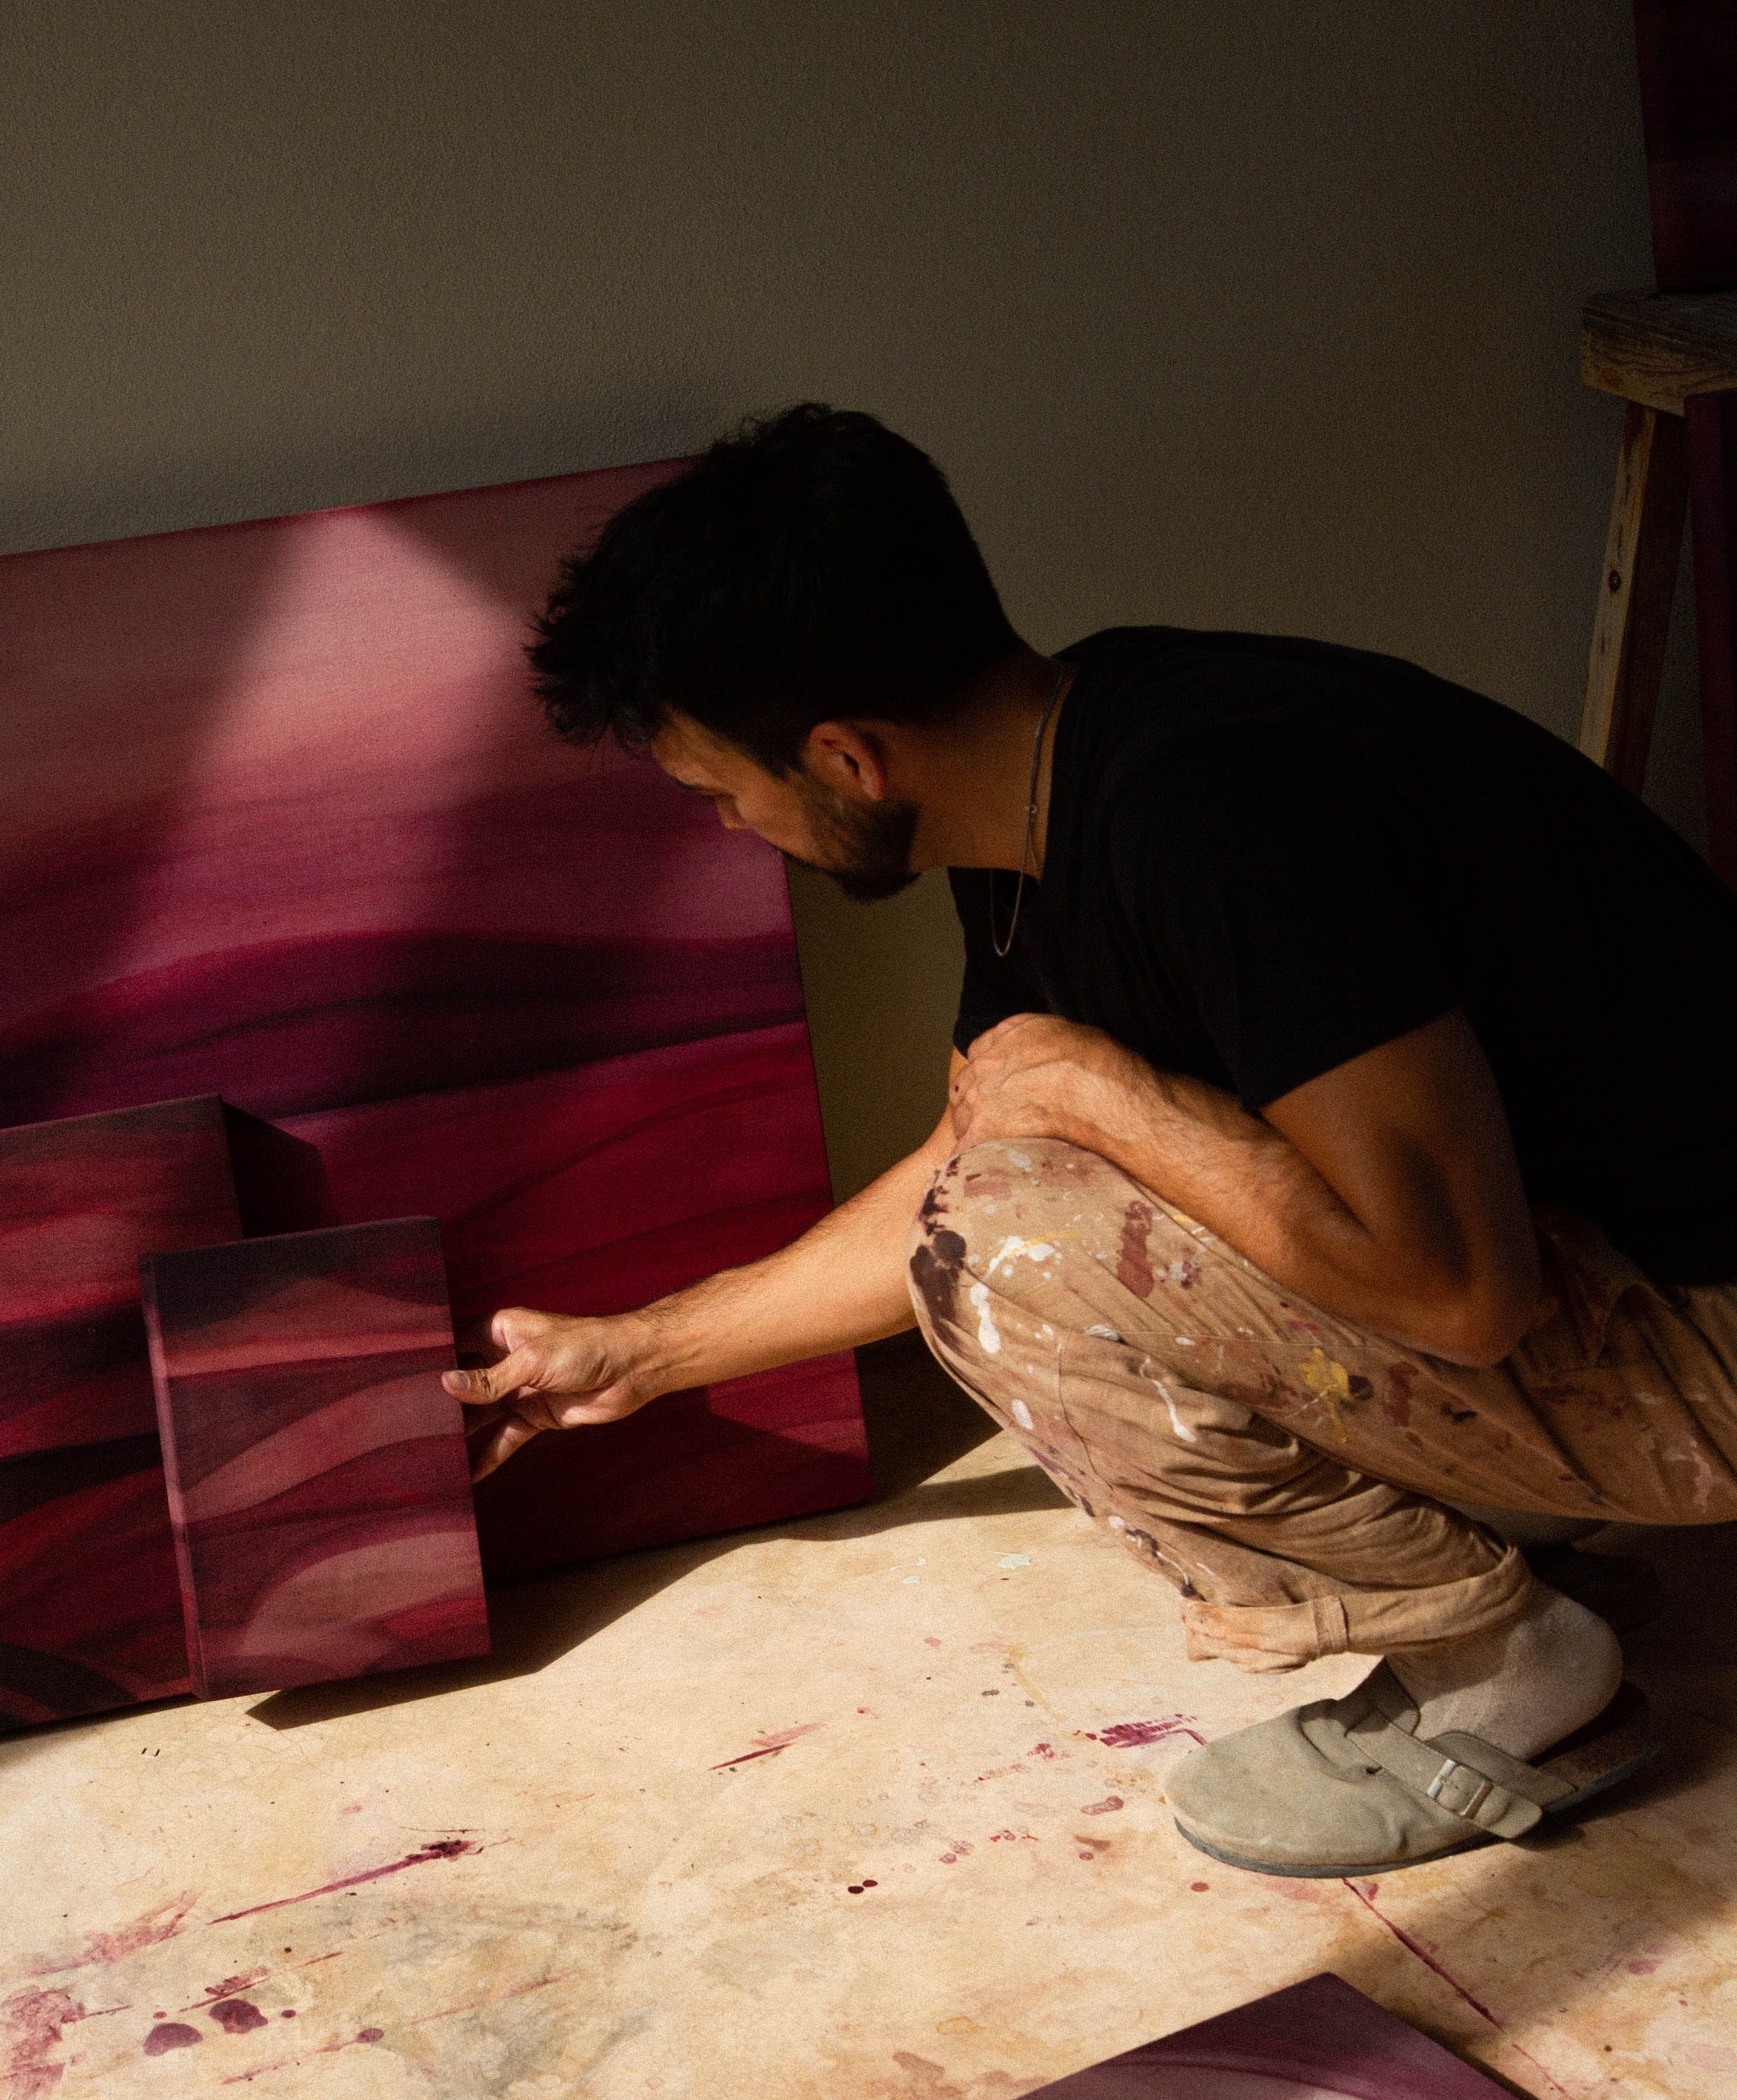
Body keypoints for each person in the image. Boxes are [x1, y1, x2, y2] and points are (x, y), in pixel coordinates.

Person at [440, 402, 1737, 1878]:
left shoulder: (1219, 820)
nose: (734, 827)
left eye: (724, 792)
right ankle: (1522, 1530)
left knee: (1012, 1251)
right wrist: (641, 1352)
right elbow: (972, 1146)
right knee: (1014, 1189)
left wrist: (1106, 1095)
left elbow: (1463, 1295)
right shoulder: (1048, 769)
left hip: (1714, 1329)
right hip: (1629, 1255)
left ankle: (1515, 1681)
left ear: (848, 759)